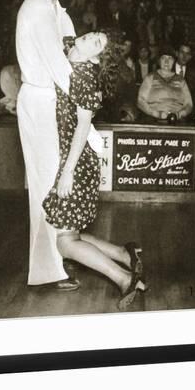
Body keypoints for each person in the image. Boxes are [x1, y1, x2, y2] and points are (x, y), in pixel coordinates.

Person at [16, 0, 102, 290]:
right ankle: (48, 271)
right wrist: (90, 128)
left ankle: (57, 261)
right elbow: (62, 71)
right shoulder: (36, 10)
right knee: (45, 186)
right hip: (39, 102)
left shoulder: (56, 8)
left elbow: (74, 54)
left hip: (55, 101)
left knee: (54, 186)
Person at [43, 31, 148, 310]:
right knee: (71, 233)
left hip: (76, 164)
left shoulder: (84, 75)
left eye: (97, 43)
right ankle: (125, 255)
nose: (89, 37)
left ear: (97, 57)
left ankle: (124, 278)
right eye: (92, 34)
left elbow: (81, 128)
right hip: (73, 160)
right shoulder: (72, 60)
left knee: (66, 243)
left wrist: (67, 172)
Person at [137, 44, 193, 122]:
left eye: (170, 58)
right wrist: (156, 114)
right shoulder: (150, 77)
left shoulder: (181, 80)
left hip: (177, 121)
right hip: (153, 120)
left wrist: (179, 114)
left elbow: (189, 104)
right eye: (163, 58)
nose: (166, 61)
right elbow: (140, 101)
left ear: (174, 61)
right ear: (159, 61)